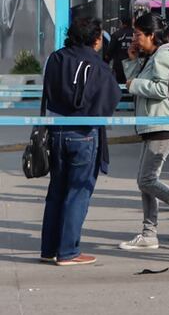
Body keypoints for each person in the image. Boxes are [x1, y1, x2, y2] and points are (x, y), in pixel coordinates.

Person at [39, 18, 124, 266]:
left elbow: (47, 89)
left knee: (56, 190)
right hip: (84, 133)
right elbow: (109, 100)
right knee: (78, 193)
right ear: (96, 39)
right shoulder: (97, 66)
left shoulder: (55, 59)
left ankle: (49, 248)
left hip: (56, 132)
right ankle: (68, 251)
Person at [119, 13, 169, 251]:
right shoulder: (157, 54)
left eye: (137, 34)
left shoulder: (164, 54)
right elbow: (139, 82)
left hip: (163, 123)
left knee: (146, 179)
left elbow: (162, 88)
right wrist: (133, 61)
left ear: (151, 34)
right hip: (154, 123)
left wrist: (134, 84)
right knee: (145, 181)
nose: (134, 39)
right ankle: (148, 232)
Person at [106, 15, 134, 84]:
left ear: (121, 23)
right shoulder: (136, 34)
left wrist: (107, 60)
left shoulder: (116, 34)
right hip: (133, 64)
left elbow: (110, 50)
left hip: (119, 65)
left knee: (119, 84)